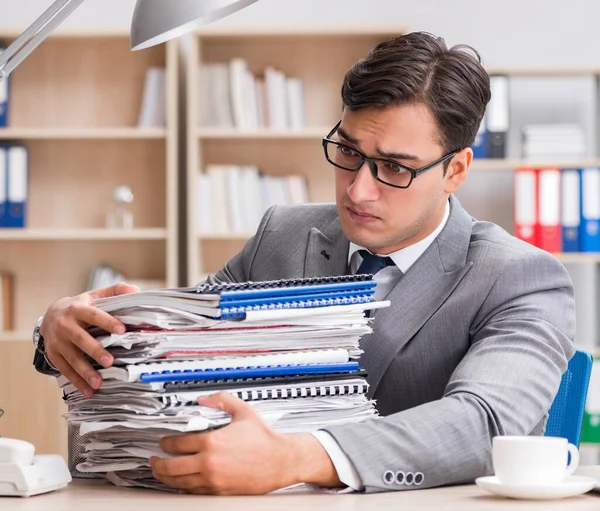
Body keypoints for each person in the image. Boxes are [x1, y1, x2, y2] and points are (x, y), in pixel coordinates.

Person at [32, 31, 575, 495]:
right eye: (348, 152)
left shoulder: (518, 277)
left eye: (394, 167)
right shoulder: (282, 234)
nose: (359, 189)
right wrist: (63, 326)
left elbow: (484, 423)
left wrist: (299, 457)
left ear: (456, 170)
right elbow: (173, 343)